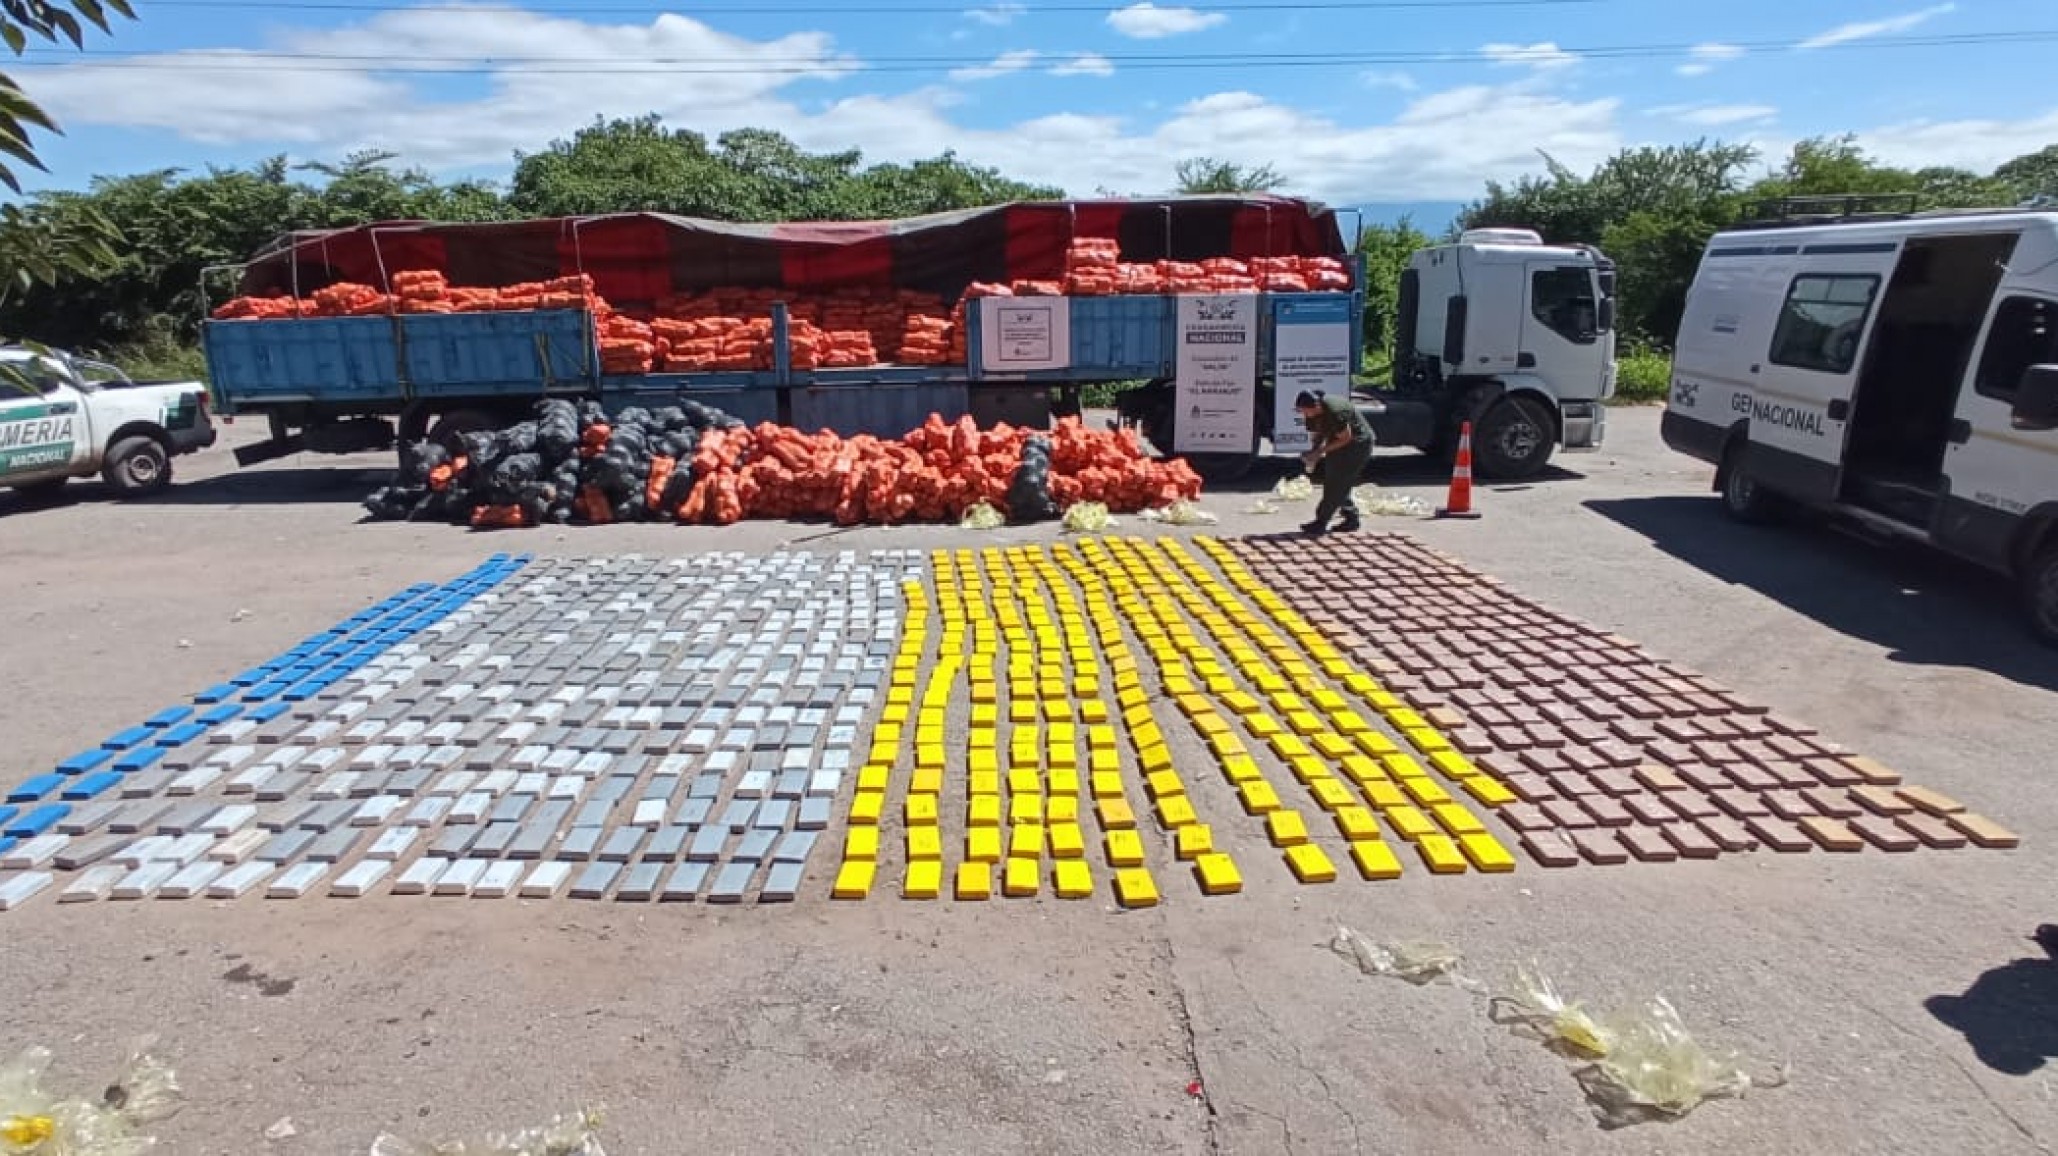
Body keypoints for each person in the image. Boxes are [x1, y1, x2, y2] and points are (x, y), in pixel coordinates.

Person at [1294, 389, 1374, 536]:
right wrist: (1313, 451)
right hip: (1337, 440)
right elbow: (1317, 433)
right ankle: (1351, 517)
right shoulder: (1312, 411)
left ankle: (1321, 522)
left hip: (1357, 443)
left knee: (1337, 482)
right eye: (1301, 412)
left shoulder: (1335, 412)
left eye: (1305, 411)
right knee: (1335, 480)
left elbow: (1346, 438)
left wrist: (1319, 452)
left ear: (1316, 406)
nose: (1304, 415)